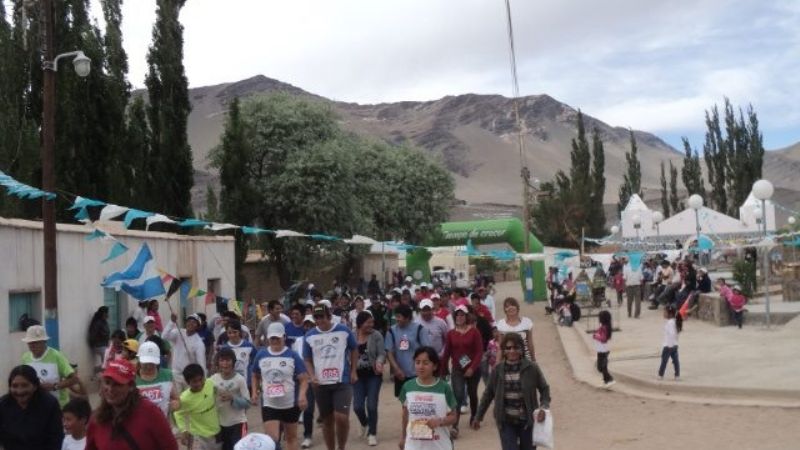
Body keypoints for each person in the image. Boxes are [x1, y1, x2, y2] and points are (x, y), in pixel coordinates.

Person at [472, 332, 551, 450]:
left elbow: (544, 389)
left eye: (516, 347)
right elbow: (488, 394)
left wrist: (544, 407)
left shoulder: (532, 368)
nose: (512, 351)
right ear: (503, 350)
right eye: (508, 348)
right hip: (505, 421)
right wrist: (478, 416)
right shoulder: (497, 370)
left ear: (521, 349)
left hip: (527, 421)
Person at [86, 359, 178, 450]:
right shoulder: (96, 420)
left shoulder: (150, 413)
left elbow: (170, 447)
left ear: (131, 386)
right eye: (107, 383)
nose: (110, 389)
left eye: (117, 384)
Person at [303, 304, 358, 450]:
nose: (320, 320)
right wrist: (312, 375)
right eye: (316, 317)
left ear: (329, 316)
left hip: (342, 381)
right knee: (327, 420)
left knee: (341, 417)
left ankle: (341, 447)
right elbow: (307, 359)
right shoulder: (309, 336)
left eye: (322, 316)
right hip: (321, 383)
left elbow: (354, 349)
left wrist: (353, 371)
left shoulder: (343, 330)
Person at [251, 322, 309, 450]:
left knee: (291, 438)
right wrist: (254, 392)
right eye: (272, 338)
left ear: (284, 336)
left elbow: (304, 379)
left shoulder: (292, 355)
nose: (275, 340)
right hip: (270, 404)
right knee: (272, 440)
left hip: (290, 404)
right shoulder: (261, 355)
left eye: (277, 337)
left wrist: (302, 395)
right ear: (268, 338)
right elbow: (254, 374)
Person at [398, 347, 457, 450]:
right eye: (417, 362)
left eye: (425, 363)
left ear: (434, 366)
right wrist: (403, 437)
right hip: (413, 446)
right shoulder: (407, 387)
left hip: (440, 446)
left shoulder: (444, 388)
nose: (421, 366)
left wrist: (439, 421)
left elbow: (453, 417)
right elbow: (405, 415)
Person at [440, 305, 483, 438]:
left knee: (472, 393)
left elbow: (479, 351)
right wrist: (443, 370)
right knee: (458, 396)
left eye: (462, 315)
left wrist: (472, 368)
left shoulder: (474, 332)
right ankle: (455, 426)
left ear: (466, 317)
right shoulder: (451, 334)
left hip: (473, 369)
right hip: (457, 369)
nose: (459, 317)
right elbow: (446, 353)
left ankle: (474, 417)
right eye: (457, 315)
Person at [0, 365, 64, 450]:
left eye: (25, 385)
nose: (20, 391)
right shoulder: (3, 404)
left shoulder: (50, 404)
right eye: (15, 386)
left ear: (35, 386)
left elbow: (56, 440)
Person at [20, 325, 79, 408]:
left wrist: (54, 386)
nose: (32, 345)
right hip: (35, 405)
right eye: (30, 343)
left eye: (36, 342)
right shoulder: (25, 358)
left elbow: (74, 379)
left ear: (44, 341)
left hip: (58, 406)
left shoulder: (57, 356)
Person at [352, 311, 386, 446]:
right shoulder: (351, 335)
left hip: (373, 375)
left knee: (371, 406)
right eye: (368, 322)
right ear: (360, 323)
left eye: (372, 322)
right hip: (357, 375)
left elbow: (382, 353)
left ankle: (372, 433)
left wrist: (379, 362)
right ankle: (365, 423)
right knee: (357, 406)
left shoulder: (376, 335)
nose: (371, 325)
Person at [386, 304, 431, 398]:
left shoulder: (420, 329)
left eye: (399, 316)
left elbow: (428, 350)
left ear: (407, 318)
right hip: (400, 373)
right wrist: (396, 369)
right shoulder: (391, 331)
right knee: (404, 401)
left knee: (419, 400)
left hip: (418, 373)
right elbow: (389, 352)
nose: (397, 319)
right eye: (396, 316)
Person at [174, 363, 221, 450]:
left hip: (216, 432)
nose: (199, 384)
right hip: (198, 437)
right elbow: (178, 414)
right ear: (188, 382)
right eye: (194, 381)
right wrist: (184, 430)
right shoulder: (184, 398)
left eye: (201, 379)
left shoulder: (210, 383)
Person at [212, 348, 251, 450]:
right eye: (222, 360)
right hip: (220, 424)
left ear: (233, 362)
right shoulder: (212, 380)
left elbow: (247, 403)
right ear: (218, 362)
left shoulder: (240, 379)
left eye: (228, 360)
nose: (225, 364)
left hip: (238, 423)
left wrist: (232, 398)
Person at [135, 341, 179, 418]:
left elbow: (176, 399)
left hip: (162, 423)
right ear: (139, 360)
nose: (148, 366)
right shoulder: (132, 377)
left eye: (152, 363)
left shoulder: (167, 375)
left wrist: (175, 404)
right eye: (145, 363)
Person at [163, 313, 207, 386]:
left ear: (198, 326)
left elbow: (201, 363)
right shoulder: (178, 332)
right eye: (189, 321)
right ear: (186, 322)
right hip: (175, 374)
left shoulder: (199, 343)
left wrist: (203, 380)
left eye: (194, 322)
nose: (191, 324)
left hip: (189, 377)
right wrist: (171, 321)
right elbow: (164, 336)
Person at [658, 305, 683, 381]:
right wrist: (674, 344)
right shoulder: (675, 322)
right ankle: (677, 375)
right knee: (676, 361)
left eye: (665, 312)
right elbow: (676, 334)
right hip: (675, 345)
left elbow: (671, 334)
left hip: (668, 346)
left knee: (664, 361)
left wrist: (669, 345)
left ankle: (660, 375)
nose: (663, 314)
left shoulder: (670, 323)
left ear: (670, 314)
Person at [593, 310, 615, 388]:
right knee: (601, 367)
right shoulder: (603, 326)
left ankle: (609, 379)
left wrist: (596, 336)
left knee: (602, 366)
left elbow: (604, 339)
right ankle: (605, 380)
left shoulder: (605, 327)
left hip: (603, 350)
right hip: (600, 349)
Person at [87, 306, 110, 377]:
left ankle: (98, 369)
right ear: (103, 314)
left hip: (104, 344)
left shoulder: (104, 322)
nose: (108, 315)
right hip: (98, 345)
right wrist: (94, 344)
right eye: (107, 313)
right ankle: (105, 376)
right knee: (106, 357)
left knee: (110, 360)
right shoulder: (97, 322)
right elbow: (93, 335)